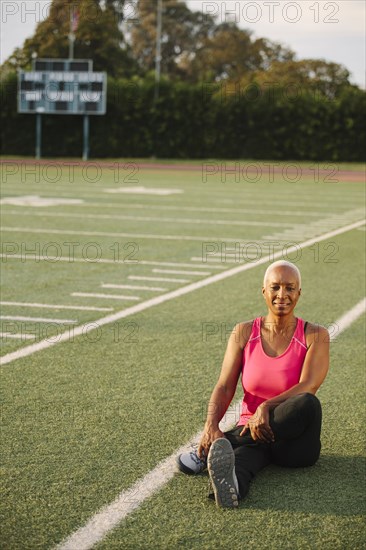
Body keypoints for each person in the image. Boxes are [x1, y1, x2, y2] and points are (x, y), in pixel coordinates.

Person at [177, 260, 329, 508]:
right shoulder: (244, 332)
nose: (282, 295)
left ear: (299, 293)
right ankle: (233, 486)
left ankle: (213, 447)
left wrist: (266, 407)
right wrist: (210, 424)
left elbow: (309, 384)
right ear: (264, 291)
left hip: (295, 445)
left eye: (290, 288)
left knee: (308, 404)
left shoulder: (316, 335)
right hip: (253, 433)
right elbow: (225, 386)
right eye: (275, 287)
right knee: (241, 461)